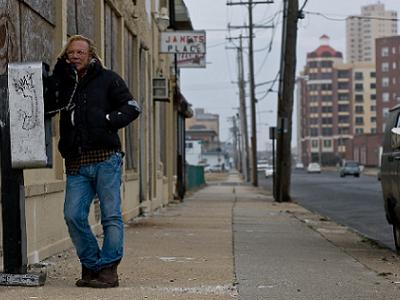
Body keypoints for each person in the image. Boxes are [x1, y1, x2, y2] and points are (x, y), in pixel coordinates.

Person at [44, 35, 141, 288]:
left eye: (80, 52)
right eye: (70, 53)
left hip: (105, 159)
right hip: (76, 162)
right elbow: (47, 107)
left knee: (110, 216)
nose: (75, 56)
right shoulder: (64, 83)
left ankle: (108, 270)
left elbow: (132, 107)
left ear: (91, 55)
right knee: (73, 215)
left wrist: (108, 120)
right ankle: (91, 264)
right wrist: (55, 81)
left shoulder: (108, 79)